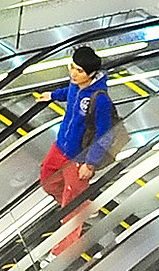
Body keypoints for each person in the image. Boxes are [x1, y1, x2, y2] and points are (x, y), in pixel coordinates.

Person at [40, 45, 119, 252]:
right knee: (47, 181)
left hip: (79, 157)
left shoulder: (100, 99)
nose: (73, 74)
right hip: (61, 146)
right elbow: (70, 92)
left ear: (91, 73)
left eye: (79, 71)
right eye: (72, 67)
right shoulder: (76, 84)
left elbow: (105, 134)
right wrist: (54, 95)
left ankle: (63, 251)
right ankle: (84, 206)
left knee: (70, 208)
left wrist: (90, 164)